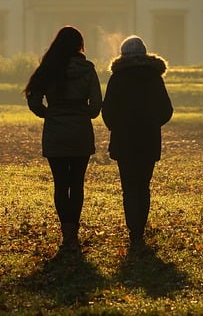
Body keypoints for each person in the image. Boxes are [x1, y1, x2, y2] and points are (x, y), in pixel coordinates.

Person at [24, 26, 102, 252]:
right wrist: (82, 113)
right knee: (77, 183)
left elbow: (34, 100)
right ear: (80, 45)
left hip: (55, 131)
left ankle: (66, 231)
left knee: (60, 183)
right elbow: (96, 105)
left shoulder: (47, 69)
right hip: (80, 132)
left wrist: (48, 113)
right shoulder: (87, 70)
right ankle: (73, 231)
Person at [102, 35, 173, 250]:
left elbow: (108, 111)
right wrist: (151, 124)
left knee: (129, 187)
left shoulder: (117, 79)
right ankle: (140, 229)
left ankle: (133, 230)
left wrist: (118, 127)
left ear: (122, 55)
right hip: (148, 139)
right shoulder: (154, 78)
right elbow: (166, 110)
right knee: (143, 185)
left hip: (124, 140)